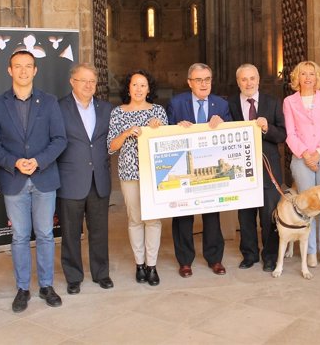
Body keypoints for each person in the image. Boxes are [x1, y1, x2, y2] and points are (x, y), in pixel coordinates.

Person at [0, 50, 67, 312]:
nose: (23, 71)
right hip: (14, 179)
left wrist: (39, 161)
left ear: (35, 71)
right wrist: (14, 162)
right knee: (20, 236)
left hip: (44, 177)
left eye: (28, 66)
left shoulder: (50, 101)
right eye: (18, 66)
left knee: (45, 234)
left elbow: (60, 139)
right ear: (9, 70)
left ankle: (46, 285)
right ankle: (23, 288)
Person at [167, 63, 232, 277]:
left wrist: (223, 123)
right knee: (183, 215)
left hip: (211, 170)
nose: (203, 84)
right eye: (198, 80)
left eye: (207, 79)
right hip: (185, 168)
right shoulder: (177, 103)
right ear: (189, 82)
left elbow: (232, 135)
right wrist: (177, 128)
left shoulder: (221, 104)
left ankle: (215, 258)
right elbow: (164, 136)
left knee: (212, 214)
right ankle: (185, 261)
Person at [57, 63, 114, 295]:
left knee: (99, 230)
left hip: (99, 179)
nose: (89, 85)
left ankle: (101, 273)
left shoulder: (106, 108)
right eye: (84, 81)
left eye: (92, 81)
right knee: (70, 232)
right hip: (71, 179)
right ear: (73, 82)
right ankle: (73, 276)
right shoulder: (59, 107)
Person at [107, 70, 167, 286]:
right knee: (135, 218)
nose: (139, 89)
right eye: (135, 85)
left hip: (154, 173)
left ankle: (152, 265)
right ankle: (139, 264)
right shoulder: (118, 113)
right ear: (129, 88)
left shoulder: (158, 112)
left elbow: (167, 142)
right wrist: (126, 133)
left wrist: (157, 129)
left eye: (143, 85)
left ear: (149, 89)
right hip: (129, 173)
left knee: (153, 219)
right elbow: (111, 147)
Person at [228, 63, 286, 272]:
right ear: (238, 82)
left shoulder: (272, 102)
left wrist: (267, 128)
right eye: (244, 79)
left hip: (268, 166)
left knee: (269, 214)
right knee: (245, 215)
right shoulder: (231, 103)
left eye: (252, 78)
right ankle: (249, 254)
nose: (248, 83)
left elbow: (282, 135)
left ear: (258, 79)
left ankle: (270, 256)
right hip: (241, 168)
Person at [283, 61, 320, 268]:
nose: (308, 78)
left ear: (318, 77)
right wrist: (305, 155)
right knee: (307, 207)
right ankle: (310, 252)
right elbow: (290, 133)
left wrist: (317, 153)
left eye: (312, 74)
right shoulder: (289, 102)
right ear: (296, 78)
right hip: (301, 158)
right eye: (303, 74)